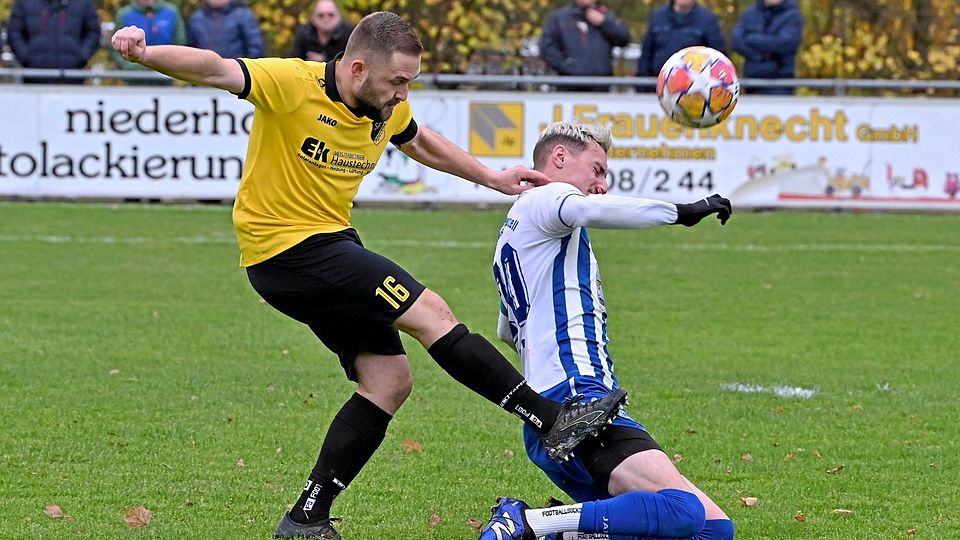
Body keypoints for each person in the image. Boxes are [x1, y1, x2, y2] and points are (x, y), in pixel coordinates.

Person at [110, 11, 629, 540]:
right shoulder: (292, 84)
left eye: (410, 82)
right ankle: (551, 420)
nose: (403, 94)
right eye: (398, 81)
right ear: (357, 68)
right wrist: (145, 52)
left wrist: (491, 176)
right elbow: (216, 67)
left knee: (388, 381)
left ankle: (307, 516)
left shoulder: (384, 106)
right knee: (432, 313)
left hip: (327, 243)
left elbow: (420, 140)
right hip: (286, 250)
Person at [478, 121, 735, 540]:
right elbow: (587, 208)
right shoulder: (547, 197)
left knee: (713, 530)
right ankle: (526, 523)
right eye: (596, 169)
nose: (602, 183)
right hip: (578, 405)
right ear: (559, 158)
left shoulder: (516, 235)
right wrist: (682, 212)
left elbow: (507, 330)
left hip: (553, 411)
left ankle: (557, 533)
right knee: (684, 511)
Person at [539, 0, 631, 91]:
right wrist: (566, 66)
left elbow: (624, 38)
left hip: (600, 87)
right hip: (569, 86)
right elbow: (547, 48)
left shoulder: (607, 16)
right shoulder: (560, 18)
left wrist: (603, 23)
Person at [6, 0, 100, 84]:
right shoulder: (25, 3)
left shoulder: (83, 3)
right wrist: (26, 57)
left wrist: (81, 56)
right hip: (33, 79)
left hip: (72, 78)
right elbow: (14, 32)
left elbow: (93, 32)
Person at [636, 0, 726, 81]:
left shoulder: (707, 19)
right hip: (657, 83)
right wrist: (642, 82)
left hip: (694, 86)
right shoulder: (657, 17)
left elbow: (718, 56)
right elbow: (646, 53)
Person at [731, 0, 804, 95]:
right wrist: (758, 56)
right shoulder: (750, 13)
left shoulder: (793, 16)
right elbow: (736, 41)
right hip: (752, 83)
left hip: (781, 84)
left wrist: (752, 38)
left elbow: (784, 44)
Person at [111, 0, 186, 77]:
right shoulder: (124, 14)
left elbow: (180, 42)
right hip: (133, 77)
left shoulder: (171, 11)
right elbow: (114, 48)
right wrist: (129, 66)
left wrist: (168, 65)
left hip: (166, 76)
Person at [187, 0, 264, 59]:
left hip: (236, 75)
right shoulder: (196, 18)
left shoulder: (244, 16)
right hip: (202, 75)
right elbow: (190, 48)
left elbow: (255, 48)